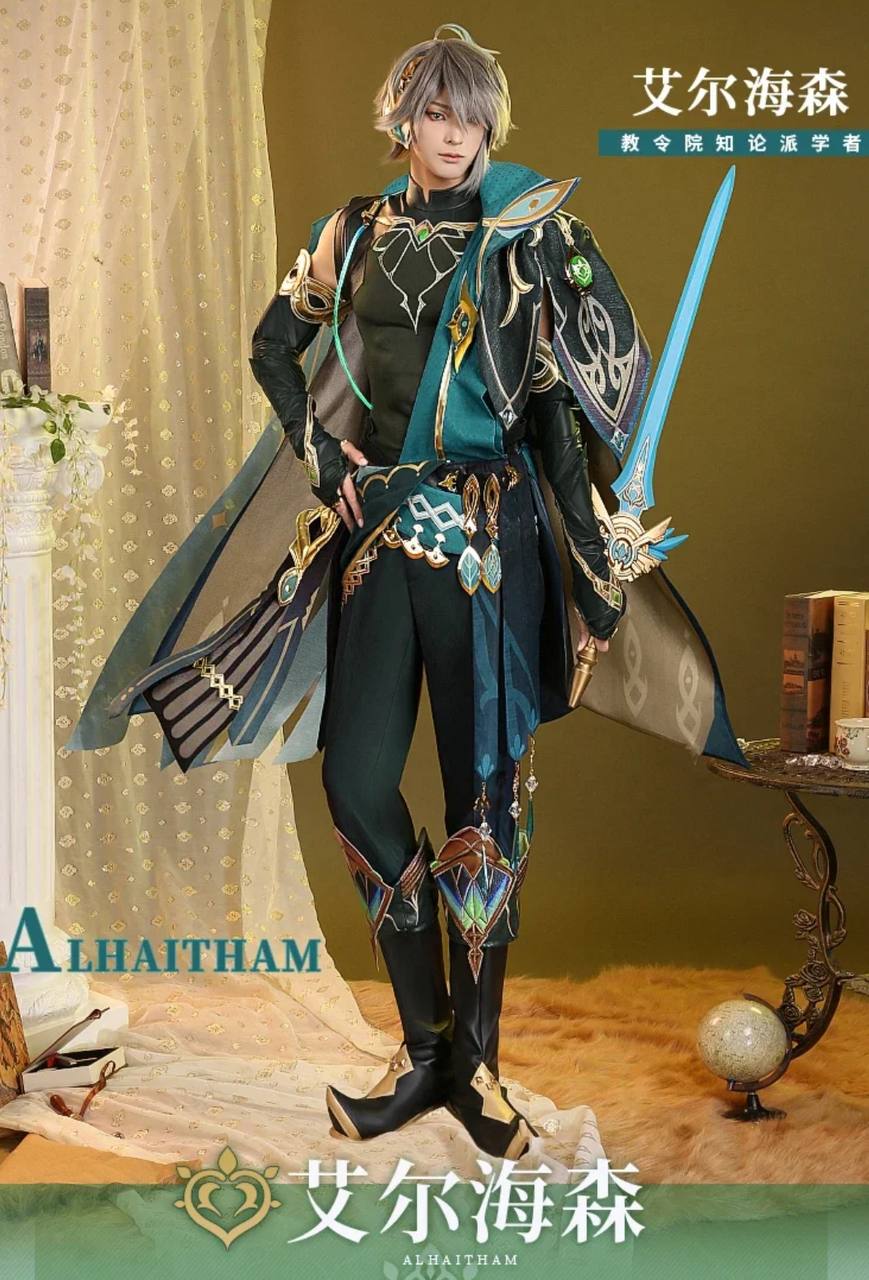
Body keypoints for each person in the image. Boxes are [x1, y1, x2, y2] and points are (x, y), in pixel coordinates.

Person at [66, 23, 747, 1162]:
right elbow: (273, 350)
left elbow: (554, 420)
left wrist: (592, 565)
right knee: (356, 783)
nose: (457, 135)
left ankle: (476, 1070)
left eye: (473, 117)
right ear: (404, 119)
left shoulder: (525, 237)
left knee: (485, 805)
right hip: (377, 537)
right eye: (438, 113)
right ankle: (425, 1048)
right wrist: (322, 456)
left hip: (491, 543)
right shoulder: (354, 232)